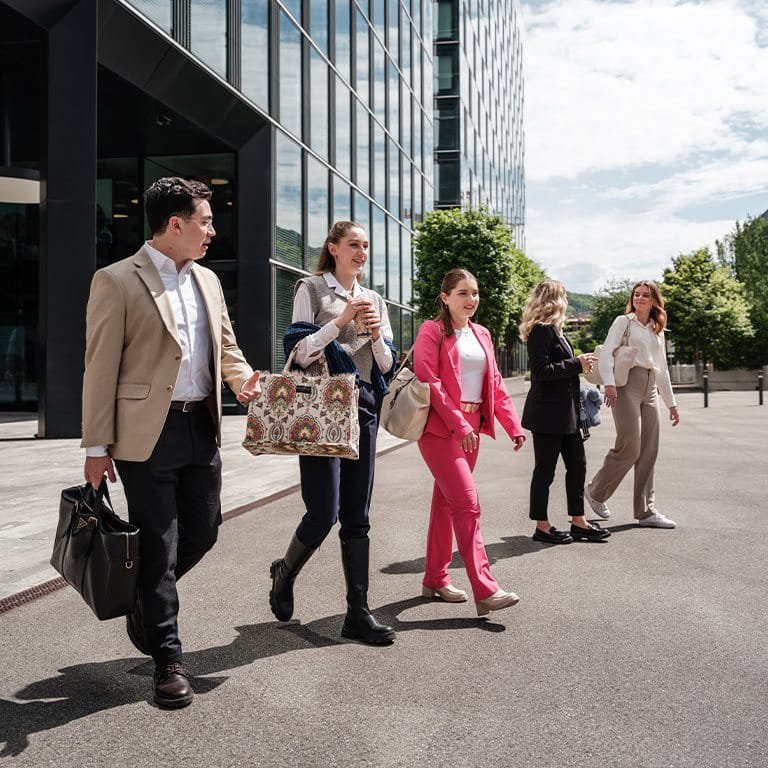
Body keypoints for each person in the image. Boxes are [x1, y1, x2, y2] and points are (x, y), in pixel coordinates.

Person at [81, 177, 261, 709]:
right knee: (159, 544)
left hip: (199, 426)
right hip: (146, 434)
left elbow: (226, 346)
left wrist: (242, 381)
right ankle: (167, 659)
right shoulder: (116, 280)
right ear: (176, 224)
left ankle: (145, 600)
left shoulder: (208, 280)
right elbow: (99, 367)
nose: (212, 231)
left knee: (203, 530)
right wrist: (96, 447)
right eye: (205, 222)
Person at [270, 221, 397, 645]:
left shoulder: (375, 299)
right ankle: (284, 573)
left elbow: (384, 367)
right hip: (323, 410)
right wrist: (340, 320)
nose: (361, 252)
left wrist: (376, 334)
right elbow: (298, 352)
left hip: (364, 407)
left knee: (357, 515)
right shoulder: (310, 289)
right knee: (323, 512)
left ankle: (357, 613)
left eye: (365, 245)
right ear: (334, 248)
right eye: (353, 244)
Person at [413, 268, 526, 617]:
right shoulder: (432, 330)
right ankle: (486, 589)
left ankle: (435, 578)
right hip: (440, 430)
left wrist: (513, 425)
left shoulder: (482, 333)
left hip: (471, 431)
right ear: (445, 297)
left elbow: (495, 382)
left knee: (446, 505)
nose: (471, 299)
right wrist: (459, 423)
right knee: (467, 505)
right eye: (462, 293)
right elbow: (429, 380)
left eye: (474, 293)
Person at [519, 280, 610, 544]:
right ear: (555, 299)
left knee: (578, 466)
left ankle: (578, 521)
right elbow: (541, 372)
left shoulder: (557, 331)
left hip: (566, 414)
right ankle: (542, 526)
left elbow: (562, 367)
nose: (568, 301)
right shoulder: (541, 331)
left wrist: (579, 364)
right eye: (565, 296)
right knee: (545, 471)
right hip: (547, 415)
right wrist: (576, 363)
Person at [585, 280, 680, 527]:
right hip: (626, 384)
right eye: (636, 294)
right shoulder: (623, 321)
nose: (639, 298)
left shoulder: (656, 329)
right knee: (630, 446)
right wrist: (609, 384)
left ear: (654, 300)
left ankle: (646, 512)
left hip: (650, 386)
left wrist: (671, 404)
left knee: (649, 449)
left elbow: (662, 368)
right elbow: (607, 353)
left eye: (645, 295)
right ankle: (596, 491)